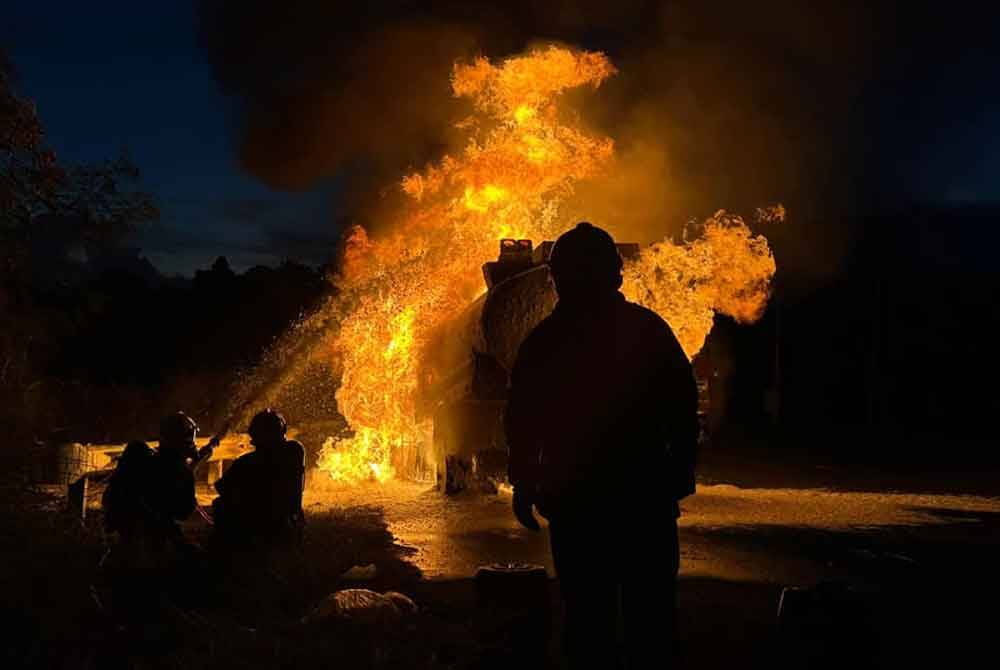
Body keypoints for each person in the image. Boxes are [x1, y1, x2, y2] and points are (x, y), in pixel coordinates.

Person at [504, 222, 699, 668]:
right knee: (650, 626)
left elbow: (522, 419)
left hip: (578, 507)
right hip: (644, 503)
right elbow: (682, 406)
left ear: (556, 279)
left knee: (587, 624)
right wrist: (680, 472)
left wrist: (524, 482)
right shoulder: (648, 330)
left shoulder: (544, 343)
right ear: (617, 275)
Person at [100, 412, 217, 615]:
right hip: (153, 542)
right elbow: (183, 510)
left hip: (126, 536)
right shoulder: (177, 470)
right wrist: (189, 471)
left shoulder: (147, 461)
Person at [210, 408, 305, 551]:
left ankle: (229, 548)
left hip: (261, 525)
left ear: (254, 435)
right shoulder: (295, 450)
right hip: (289, 520)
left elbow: (221, 488)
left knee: (219, 504)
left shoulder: (245, 462)